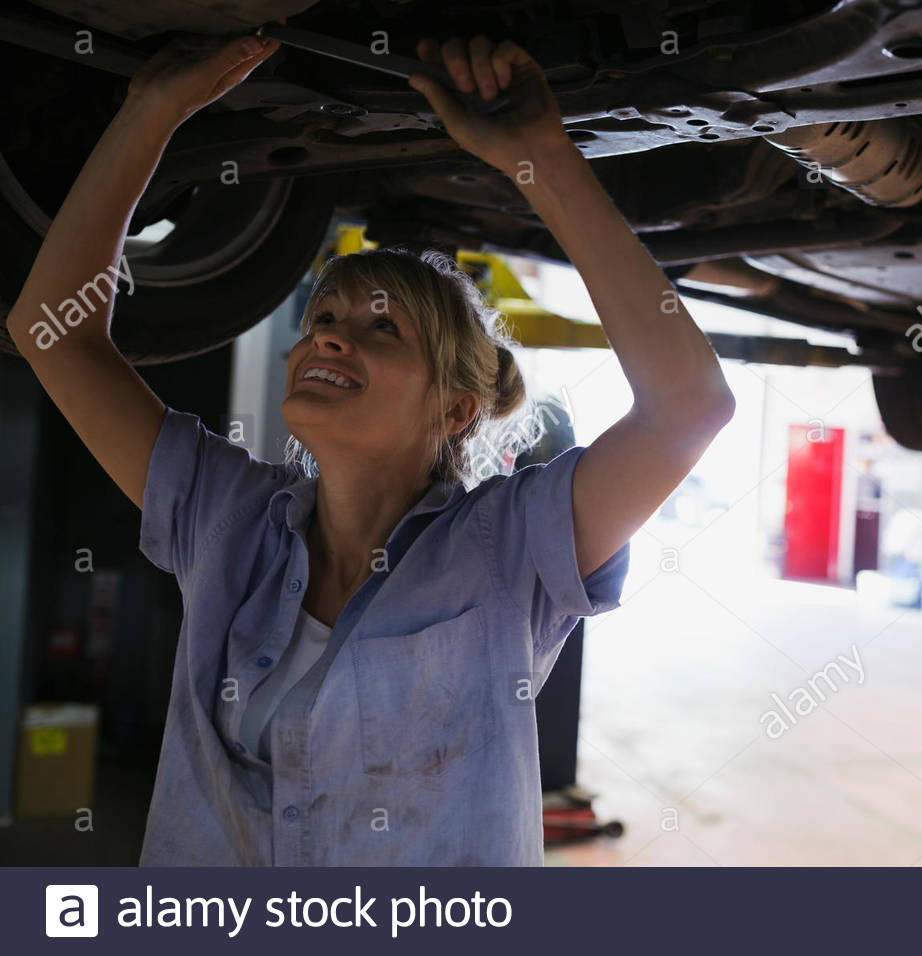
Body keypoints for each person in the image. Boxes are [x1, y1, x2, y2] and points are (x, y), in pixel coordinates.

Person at [5, 32, 734, 865]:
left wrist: (540, 156)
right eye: (323, 318)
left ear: (457, 409)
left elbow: (689, 408)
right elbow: (50, 332)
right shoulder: (232, 518)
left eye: (379, 327)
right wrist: (152, 108)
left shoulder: (509, 550)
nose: (331, 340)